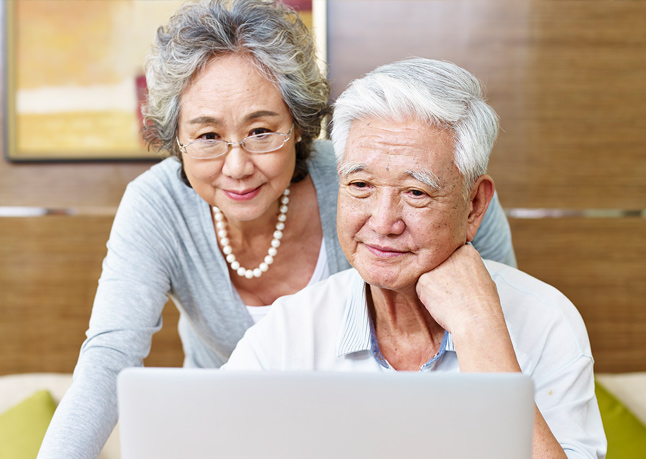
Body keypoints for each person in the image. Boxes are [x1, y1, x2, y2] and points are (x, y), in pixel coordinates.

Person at [38, 1, 516, 457]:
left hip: (377, 432)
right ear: (176, 139)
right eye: (207, 136)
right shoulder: (157, 205)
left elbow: (507, 318)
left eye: (262, 131)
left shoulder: (368, 187)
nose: (238, 165)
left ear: (299, 124)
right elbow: (109, 356)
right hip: (226, 437)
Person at [223, 57, 606, 458]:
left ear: (474, 205)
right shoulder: (291, 331)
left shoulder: (545, 323)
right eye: (360, 185)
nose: (383, 221)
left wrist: (480, 332)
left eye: (416, 193)